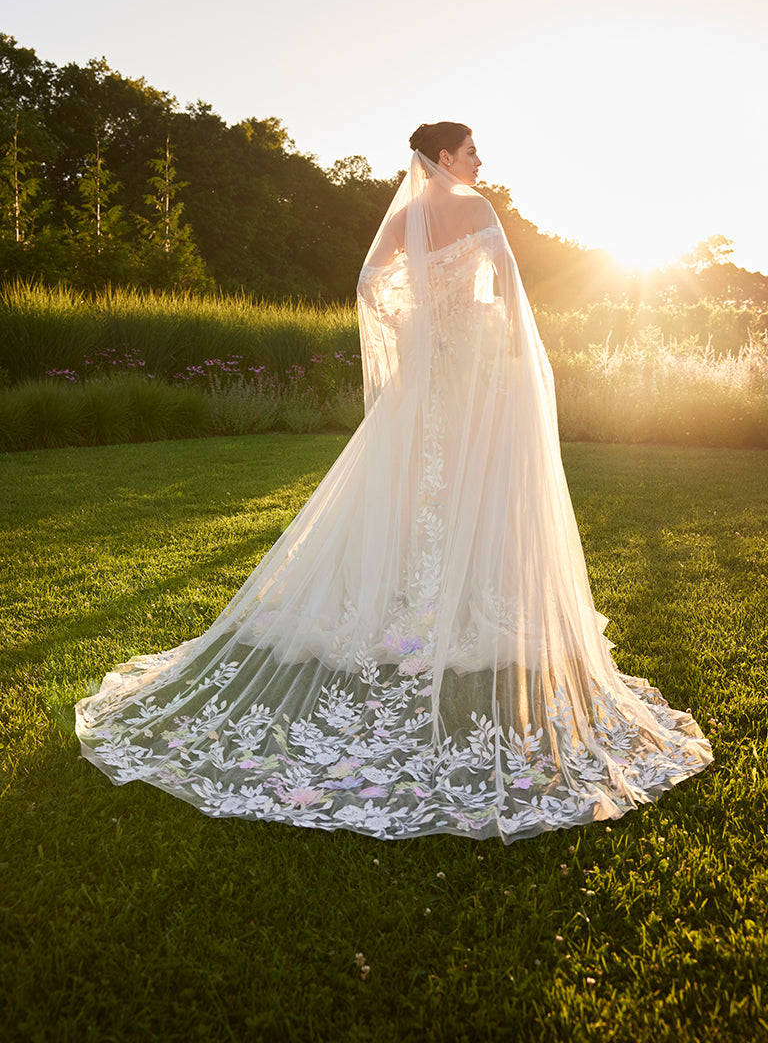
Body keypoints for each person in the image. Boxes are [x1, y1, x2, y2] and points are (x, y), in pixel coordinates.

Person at [75, 121, 712, 842]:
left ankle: (412, 594)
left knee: (413, 479)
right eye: (472, 150)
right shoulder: (477, 210)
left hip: (425, 372)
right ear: (445, 156)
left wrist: (420, 324)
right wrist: (491, 345)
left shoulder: (407, 216)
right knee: (471, 479)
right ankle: (454, 597)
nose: (480, 160)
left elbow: (369, 286)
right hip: (469, 370)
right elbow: (505, 296)